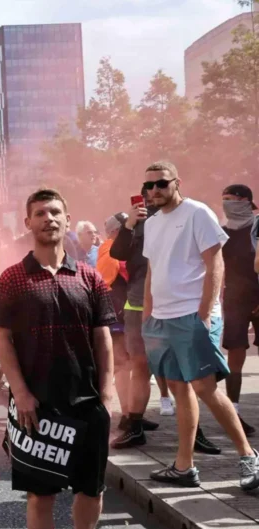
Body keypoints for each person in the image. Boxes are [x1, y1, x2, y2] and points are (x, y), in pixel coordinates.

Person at [0, 189, 116, 529]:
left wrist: (108, 394)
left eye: (55, 212)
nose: (49, 218)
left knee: (91, 490)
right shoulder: (12, 278)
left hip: (87, 400)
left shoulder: (90, 277)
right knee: (40, 495)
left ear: (68, 219)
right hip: (35, 405)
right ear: (28, 223)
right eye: (40, 213)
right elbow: (2, 338)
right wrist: (21, 393)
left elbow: (103, 338)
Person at [138, 162, 259, 491]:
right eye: (148, 186)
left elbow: (215, 262)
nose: (154, 191)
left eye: (161, 183)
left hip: (193, 314)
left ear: (176, 182)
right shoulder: (152, 224)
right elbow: (153, 271)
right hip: (162, 319)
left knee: (204, 388)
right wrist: (148, 315)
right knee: (180, 389)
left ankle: (249, 456)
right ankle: (184, 466)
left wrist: (205, 314)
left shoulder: (197, 213)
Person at [109, 189, 180, 451]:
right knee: (140, 365)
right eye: (146, 193)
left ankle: (196, 431)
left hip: (171, 302)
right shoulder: (137, 225)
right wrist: (128, 225)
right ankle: (134, 426)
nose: (151, 196)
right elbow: (118, 253)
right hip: (137, 303)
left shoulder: (179, 220)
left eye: (160, 186)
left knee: (178, 369)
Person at [222, 184, 257, 436]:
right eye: (223, 200)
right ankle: (233, 412)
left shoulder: (257, 226)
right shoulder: (221, 232)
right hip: (234, 299)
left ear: (245, 201)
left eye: (231, 199)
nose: (226, 204)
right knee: (235, 354)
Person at [96, 213, 134, 442]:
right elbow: (114, 277)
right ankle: (127, 414)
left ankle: (132, 412)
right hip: (117, 310)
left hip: (123, 309)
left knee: (130, 365)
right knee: (122, 364)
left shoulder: (115, 246)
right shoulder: (110, 248)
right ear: (116, 231)